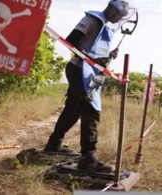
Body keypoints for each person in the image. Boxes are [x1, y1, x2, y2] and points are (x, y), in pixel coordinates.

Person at [44, 0, 129, 173]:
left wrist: (107, 55)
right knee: (91, 109)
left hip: (91, 73)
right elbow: (71, 41)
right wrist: (92, 60)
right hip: (79, 69)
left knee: (73, 109)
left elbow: (94, 49)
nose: (120, 18)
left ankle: (54, 144)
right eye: (119, 14)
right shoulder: (93, 20)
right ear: (112, 9)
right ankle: (89, 157)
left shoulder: (105, 26)